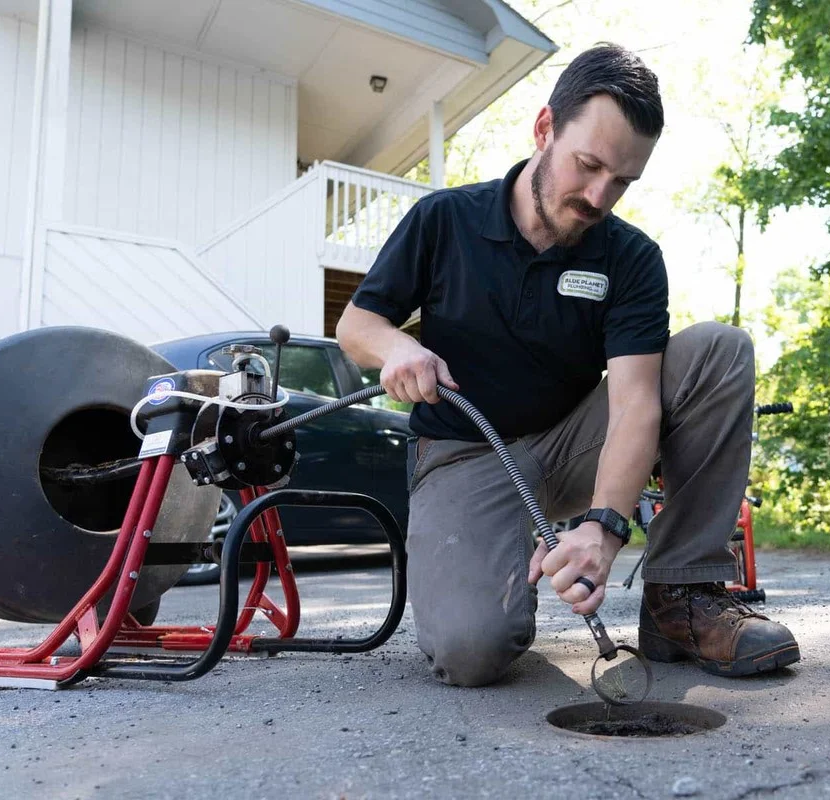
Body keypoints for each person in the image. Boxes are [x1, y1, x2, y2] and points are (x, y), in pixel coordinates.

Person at [336, 43, 799, 687]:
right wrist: (397, 347)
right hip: (466, 452)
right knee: (472, 652)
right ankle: (492, 569)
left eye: (622, 181)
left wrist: (604, 528)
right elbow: (355, 326)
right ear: (544, 128)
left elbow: (635, 402)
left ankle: (681, 600)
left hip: (576, 441)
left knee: (719, 350)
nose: (599, 195)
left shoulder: (631, 259)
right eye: (588, 166)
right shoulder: (444, 221)